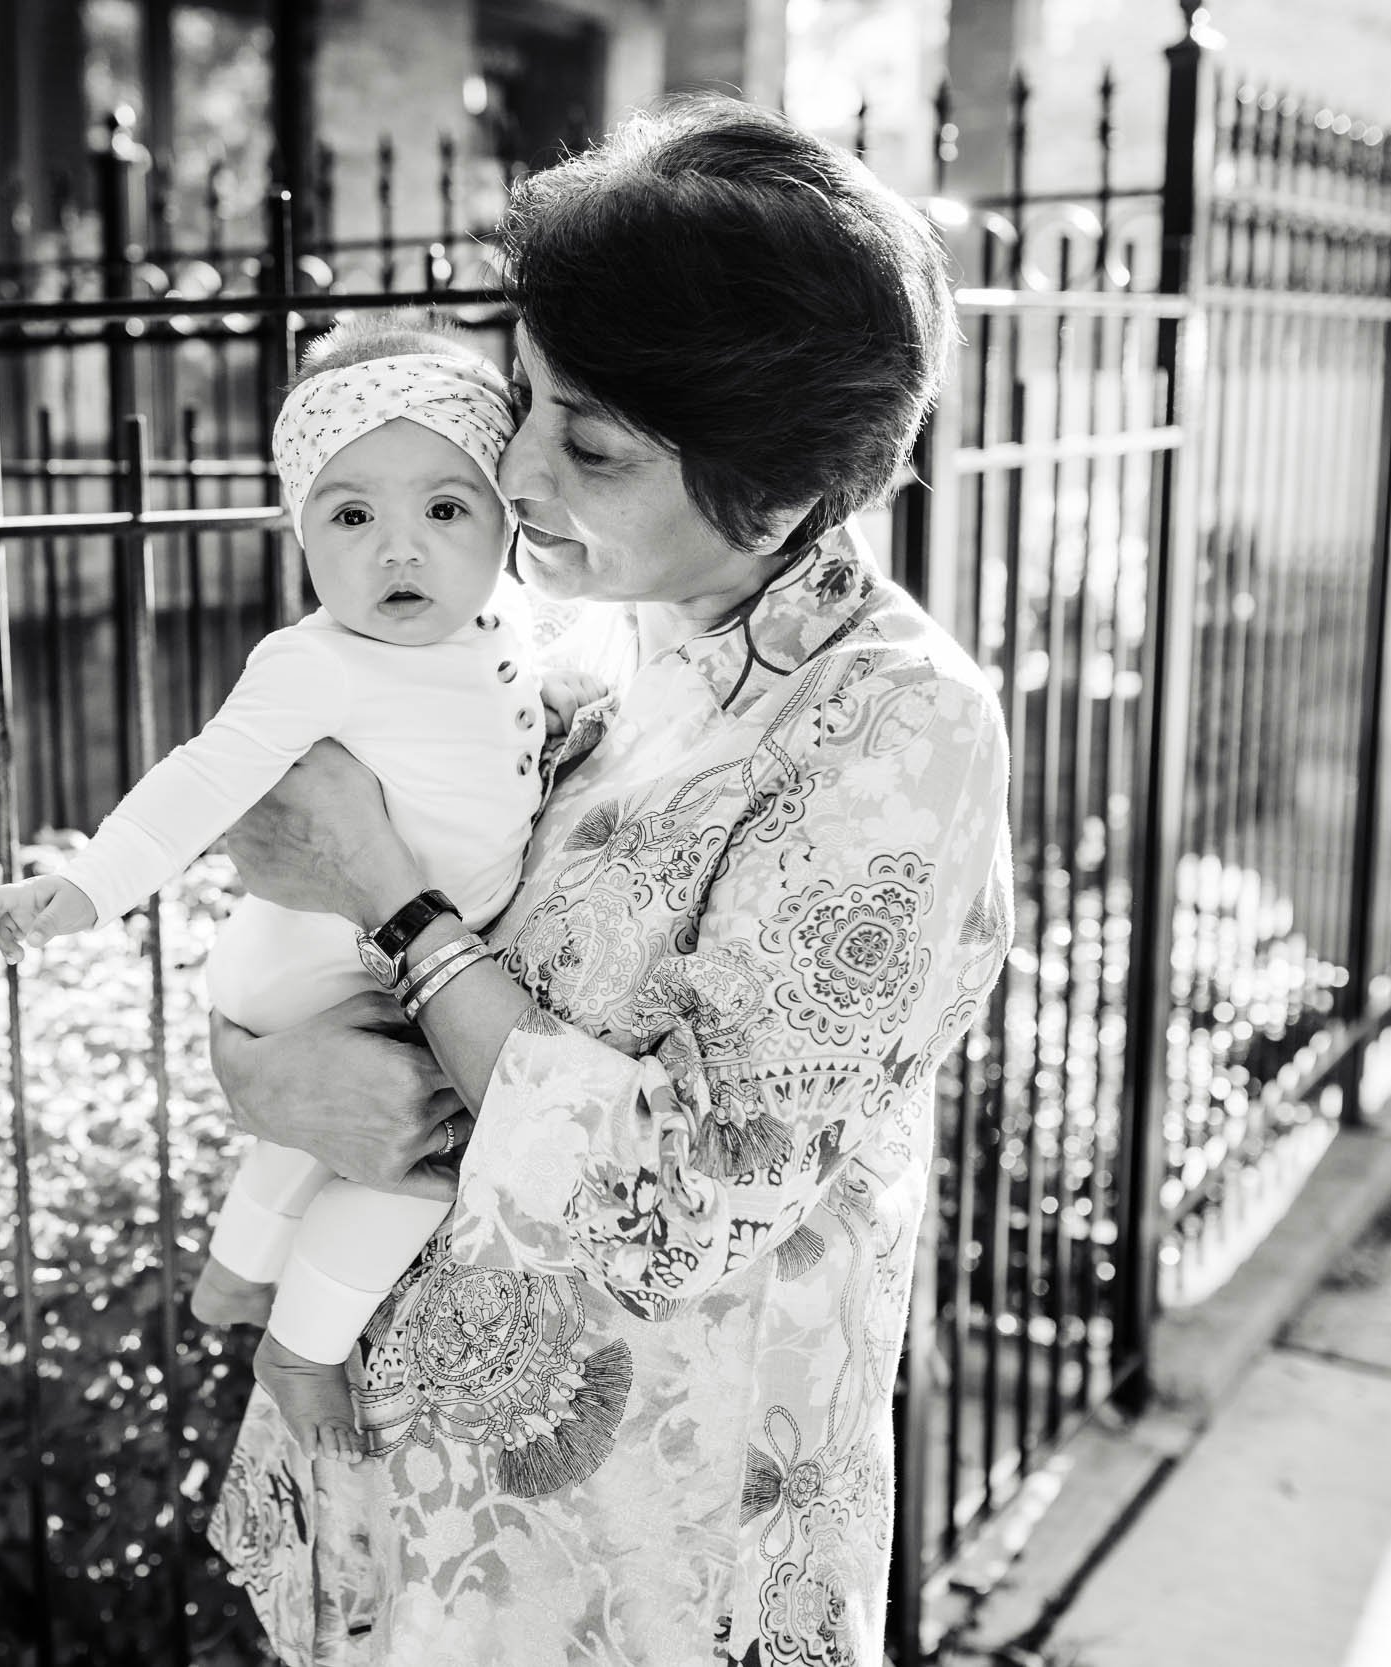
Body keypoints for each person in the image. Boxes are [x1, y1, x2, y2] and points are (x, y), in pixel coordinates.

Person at [200, 98, 1015, 1667]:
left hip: (640, 1560)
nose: (508, 468)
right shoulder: (568, 639)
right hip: (403, 1484)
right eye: (526, 402)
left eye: (590, 442)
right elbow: (298, 914)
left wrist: (390, 896)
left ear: (777, 490)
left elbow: (688, 1192)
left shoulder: (896, 727)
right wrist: (258, 1067)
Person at [0, 318, 604, 1461]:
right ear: (299, 529)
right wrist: (86, 887)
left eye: (445, 510)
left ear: (506, 517)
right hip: (312, 956)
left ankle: (234, 1274)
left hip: (370, 947)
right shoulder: (315, 660)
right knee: (422, 1159)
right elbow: (198, 779)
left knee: (314, 1135)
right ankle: (300, 1343)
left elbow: (525, 699)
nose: (397, 551)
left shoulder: (513, 623)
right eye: (352, 515)